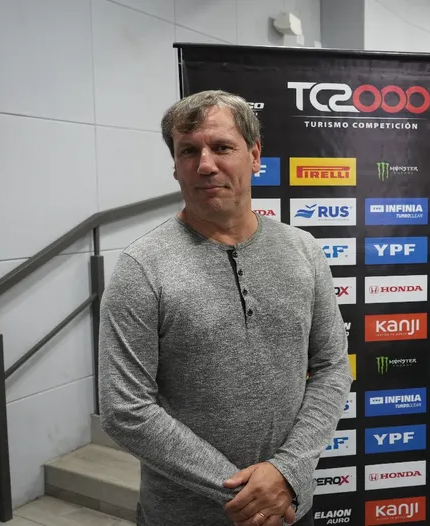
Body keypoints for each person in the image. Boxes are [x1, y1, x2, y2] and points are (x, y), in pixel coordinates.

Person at [98, 89, 352, 526]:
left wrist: (287, 470)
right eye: (188, 151)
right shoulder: (142, 267)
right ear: (175, 165)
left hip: (289, 507)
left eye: (222, 147)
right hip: (186, 517)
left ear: (254, 156)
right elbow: (125, 409)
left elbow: (332, 366)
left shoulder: (303, 250)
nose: (205, 164)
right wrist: (248, 494)